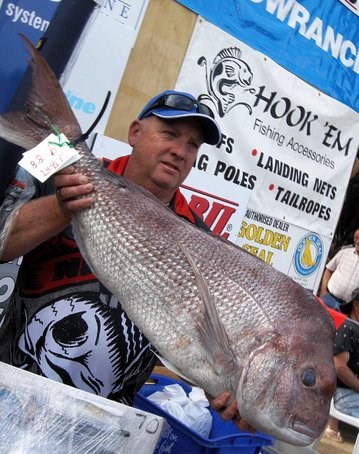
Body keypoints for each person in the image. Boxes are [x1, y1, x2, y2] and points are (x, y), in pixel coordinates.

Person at [0, 89, 251, 430]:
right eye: (170, 134)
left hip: (101, 429)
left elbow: (208, 341)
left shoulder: (200, 239)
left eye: (192, 145)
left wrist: (227, 387)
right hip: (12, 394)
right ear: (135, 133)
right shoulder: (67, 176)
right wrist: (61, 208)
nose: (180, 151)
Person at [324, 287, 359, 442]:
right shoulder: (348, 328)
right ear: (357, 305)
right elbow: (338, 366)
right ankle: (332, 427)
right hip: (341, 396)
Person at [319, 228, 359, 310]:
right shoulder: (344, 252)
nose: (358, 241)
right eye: (356, 238)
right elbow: (329, 270)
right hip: (328, 299)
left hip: (348, 309)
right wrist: (323, 290)